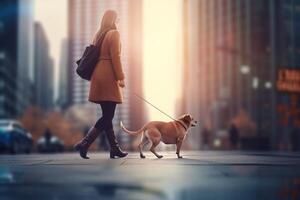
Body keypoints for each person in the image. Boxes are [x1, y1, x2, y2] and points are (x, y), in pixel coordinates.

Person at [74, 10, 128, 159]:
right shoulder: (114, 34)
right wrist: (121, 77)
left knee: (107, 114)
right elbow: (115, 56)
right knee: (109, 114)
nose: (119, 21)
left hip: (98, 75)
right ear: (114, 20)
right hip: (108, 75)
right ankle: (85, 143)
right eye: (118, 19)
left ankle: (114, 149)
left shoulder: (98, 34)